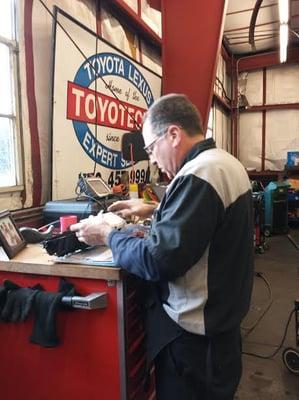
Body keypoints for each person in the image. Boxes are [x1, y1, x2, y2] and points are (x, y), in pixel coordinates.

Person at [70, 94, 254, 400]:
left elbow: (157, 261)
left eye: (151, 148)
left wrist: (108, 234)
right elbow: (209, 222)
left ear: (173, 134)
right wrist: (153, 209)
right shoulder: (224, 163)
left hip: (195, 344)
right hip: (222, 332)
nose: (152, 158)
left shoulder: (199, 175)